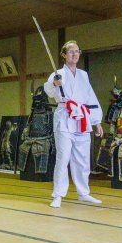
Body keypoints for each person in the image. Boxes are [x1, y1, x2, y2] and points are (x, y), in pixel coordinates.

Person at [43, 41, 104, 207]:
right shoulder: (58, 74)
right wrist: (54, 84)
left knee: (83, 158)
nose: (75, 55)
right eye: (71, 52)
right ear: (64, 55)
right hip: (65, 117)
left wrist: (96, 121)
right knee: (63, 158)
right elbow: (48, 91)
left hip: (82, 118)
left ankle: (83, 192)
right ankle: (58, 194)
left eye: (77, 51)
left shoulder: (83, 75)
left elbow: (90, 97)